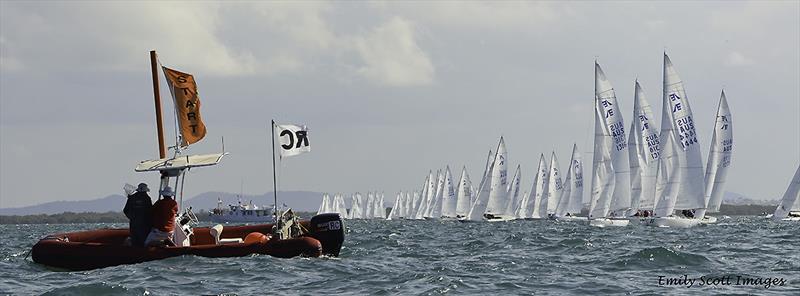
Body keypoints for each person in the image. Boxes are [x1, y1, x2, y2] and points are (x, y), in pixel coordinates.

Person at [123, 183, 153, 247]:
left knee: (134, 241)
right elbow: (150, 211)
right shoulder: (147, 198)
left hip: (134, 223)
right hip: (144, 224)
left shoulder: (132, 197)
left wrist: (132, 217)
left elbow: (125, 210)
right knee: (143, 241)